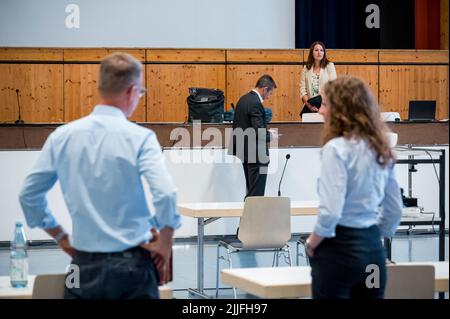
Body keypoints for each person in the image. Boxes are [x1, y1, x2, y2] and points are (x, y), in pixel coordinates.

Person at [18, 52, 181, 299]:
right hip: (132, 267)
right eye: (140, 93)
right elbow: (166, 193)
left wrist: (61, 237)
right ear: (131, 91)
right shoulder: (140, 137)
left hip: (81, 265)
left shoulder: (62, 137)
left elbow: (29, 195)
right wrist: (165, 240)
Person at [304, 76, 403, 299]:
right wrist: (372, 237)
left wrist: (311, 243)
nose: (320, 110)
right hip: (373, 254)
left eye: (326, 104)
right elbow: (395, 209)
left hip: (338, 253)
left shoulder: (336, 149)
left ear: (342, 109)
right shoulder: (380, 146)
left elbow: (330, 212)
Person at [229, 74, 277, 198]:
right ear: (264, 89)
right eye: (269, 93)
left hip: (245, 152)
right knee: (256, 195)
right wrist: (270, 136)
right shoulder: (256, 103)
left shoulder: (242, 99)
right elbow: (259, 131)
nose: (268, 97)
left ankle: (248, 217)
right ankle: (253, 217)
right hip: (256, 154)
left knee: (251, 191)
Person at [300, 41, 337, 118]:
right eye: (316, 50)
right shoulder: (305, 69)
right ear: (312, 53)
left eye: (321, 50)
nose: (319, 52)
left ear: (324, 53)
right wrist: (309, 105)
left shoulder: (329, 66)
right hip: (310, 107)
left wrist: (322, 104)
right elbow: (303, 90)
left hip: (326, 105)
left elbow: (333, 86)